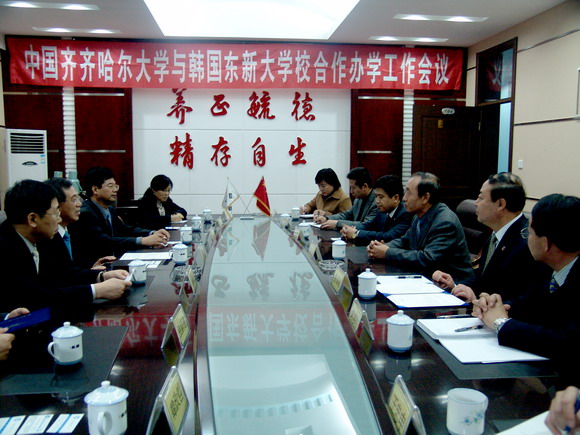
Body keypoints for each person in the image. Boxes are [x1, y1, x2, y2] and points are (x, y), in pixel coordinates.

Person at [472, 194, 580, 384]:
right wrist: (498, 307)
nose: (526, 239)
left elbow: (566, 343)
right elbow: (530, 302)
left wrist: (501, 323)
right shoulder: (549, 267)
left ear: (546, 243)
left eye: (529, 233)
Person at [0, 180, 130, 313]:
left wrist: (101, 276)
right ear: (33, 219)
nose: (59, 219)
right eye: (56, 213)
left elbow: (64, 272)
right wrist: (95, 291)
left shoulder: (39, 234)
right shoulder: (5, 249)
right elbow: (34, 297)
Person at [432, 173, 539, 301]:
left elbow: (520, 299)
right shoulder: (496, 235)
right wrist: (454, 286)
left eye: (481, 198)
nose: (476, 203)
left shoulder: (526, 244)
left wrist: (476, 300)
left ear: (500, 204)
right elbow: (484, 283)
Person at [367, 172, 474, 284]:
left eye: (409, 193)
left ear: (425, 198)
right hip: (426, 277)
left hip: (453, 285)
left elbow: (428, 259)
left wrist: (387, 252)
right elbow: (405, 240)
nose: (404, 198)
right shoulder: (420, 215)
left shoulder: (445, 222)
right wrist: (382, 247)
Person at [70, 167, 170, 265]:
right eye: (110, 186)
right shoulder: (86, 213)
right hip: (96, 267)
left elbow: (124, 229)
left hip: (114, 260)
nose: (115, 190)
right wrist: (143, 241)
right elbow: (104, 241)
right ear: (95, 189)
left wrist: (151, 233)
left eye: (116, 186)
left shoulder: (109, 209)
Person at [43, 177, 129, 285]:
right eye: (74, 199)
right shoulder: (47, 237)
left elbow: (71, 269)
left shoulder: (69, 229)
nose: (79, 204)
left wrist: (91, 268)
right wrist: (96, 288)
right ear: (56, 205)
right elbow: (58, 280)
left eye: (78, 198)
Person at [341, 174, 412, 245]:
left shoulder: (406, 213)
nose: (377, 201)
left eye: (381, 197)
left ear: (395, 198)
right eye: (376, 196)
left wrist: (356, 233)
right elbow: (369, 225)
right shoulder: (383, 210)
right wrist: (349, 229)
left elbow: (388, 236)